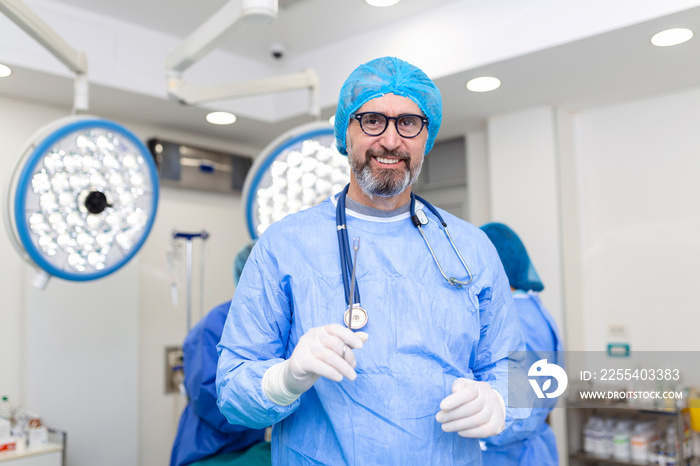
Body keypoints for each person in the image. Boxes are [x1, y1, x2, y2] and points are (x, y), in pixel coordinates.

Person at [216, 56, 527, 465]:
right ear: (345, 131)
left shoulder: (471, 248)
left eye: (409, 123)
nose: (392, 141)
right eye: (372, 120)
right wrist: (285, 378)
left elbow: (520, 374)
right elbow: (232, 389)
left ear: (426, 137)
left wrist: (503, 403)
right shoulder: (284, 245)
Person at [170, 241, 270, 466]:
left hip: (249, 444)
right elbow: (209, 398)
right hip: (210, 449)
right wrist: (271, 406)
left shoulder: (268, 324)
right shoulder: (214, 326)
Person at [479, 222, 564, 465]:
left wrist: (476, 431)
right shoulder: (529, 307)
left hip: (514, 453)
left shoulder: (517, 317)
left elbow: (523, 411)